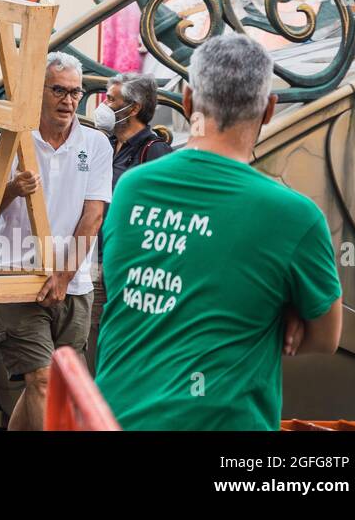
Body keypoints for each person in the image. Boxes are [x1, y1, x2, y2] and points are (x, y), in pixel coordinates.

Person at [95, 34, 342, 430]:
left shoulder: (132, 187)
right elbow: (324, 338)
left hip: (113, 420)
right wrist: (278, 310)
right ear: (269, 109)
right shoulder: (294, 216)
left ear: (188, 100)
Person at [0, 51, 113, 431]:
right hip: (16, 276)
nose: (69, 101)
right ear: (38, 91)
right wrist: (10, 190)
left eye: (75, 92)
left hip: (74, 282)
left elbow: (93, 216)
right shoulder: (11, 141)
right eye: (59, 91)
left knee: (55, 383)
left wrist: (65, 276)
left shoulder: (96, 144)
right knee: (41, 380)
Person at [87, 73, 172, 371]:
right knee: (96, 339)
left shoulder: (154, 150)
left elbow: (163, 214)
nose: (104, 104)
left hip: (129, 265)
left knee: (125, 342)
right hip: (95, 260)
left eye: (111, 99)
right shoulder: (104, 144)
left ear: (133, 108)